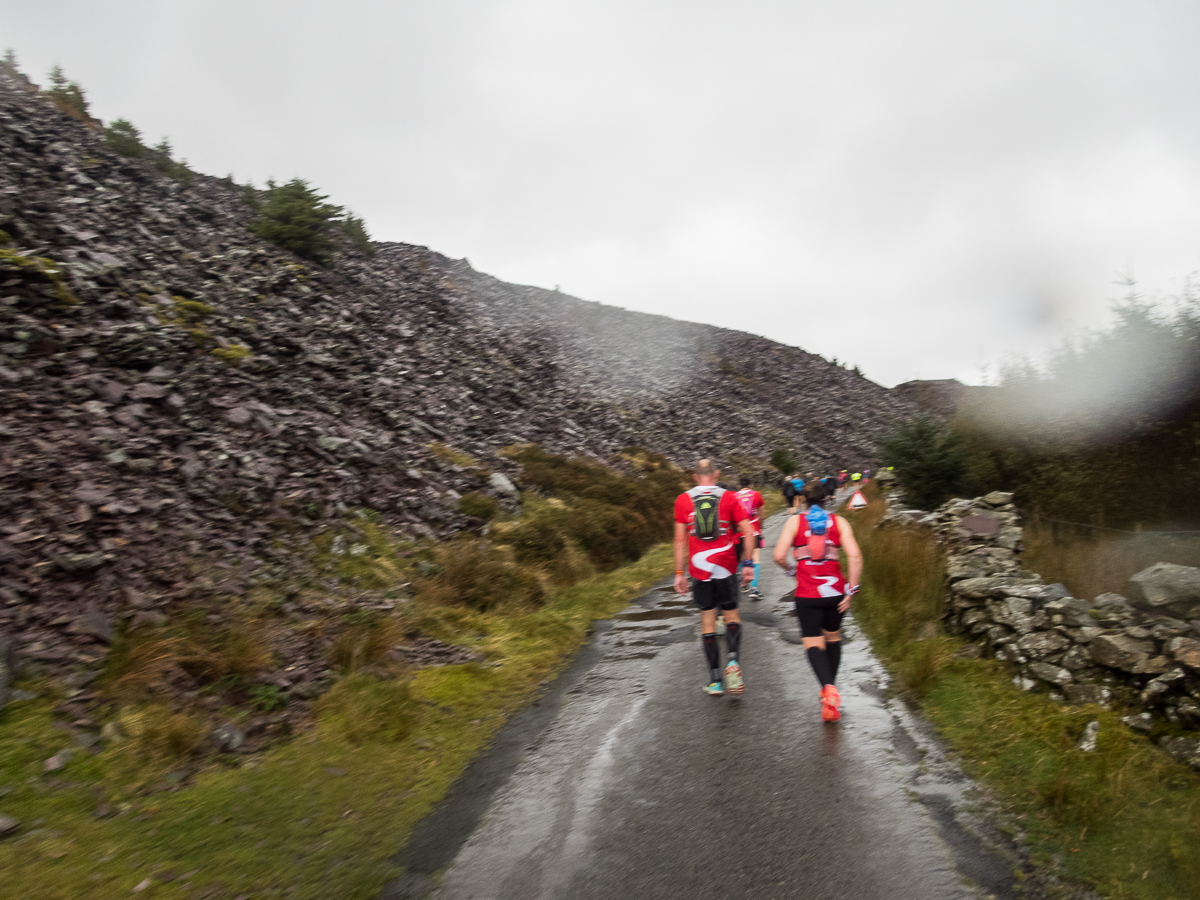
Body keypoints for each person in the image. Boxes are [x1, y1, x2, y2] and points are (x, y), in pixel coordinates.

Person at [772, 495, 863, 721]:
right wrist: (852, 590)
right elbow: (855, 555)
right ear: (826, 499)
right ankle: (829, 695)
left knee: (812, 643)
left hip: (807, 593)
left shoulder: (795, 522)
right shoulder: (840, 522)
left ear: (803, 501)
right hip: (835, 594)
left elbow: (778, 556)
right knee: (833, 638)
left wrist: (791, 570)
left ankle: (828, 689)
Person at [675, 459, 756, 696]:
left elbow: (679, 540)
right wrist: (748, 563)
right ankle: (733, 661)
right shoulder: (729, 497)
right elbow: (748, 531)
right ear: (716, 473)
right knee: (731, 617)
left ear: (695, 477)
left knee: (707, 623)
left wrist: (679, 573)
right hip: (726, 568)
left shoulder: (683, 500)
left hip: (699, 570)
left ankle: (715, 680)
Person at [734, 476, 765, 600]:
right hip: (753, 530)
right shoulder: (756, 494)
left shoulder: (734, 496)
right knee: (755, 558)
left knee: (743, 558)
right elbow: (762, 514)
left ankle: (743, 584)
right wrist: (761, 528)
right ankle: (754, 589)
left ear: (739, 485)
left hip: (739, 531)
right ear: (750, 485)